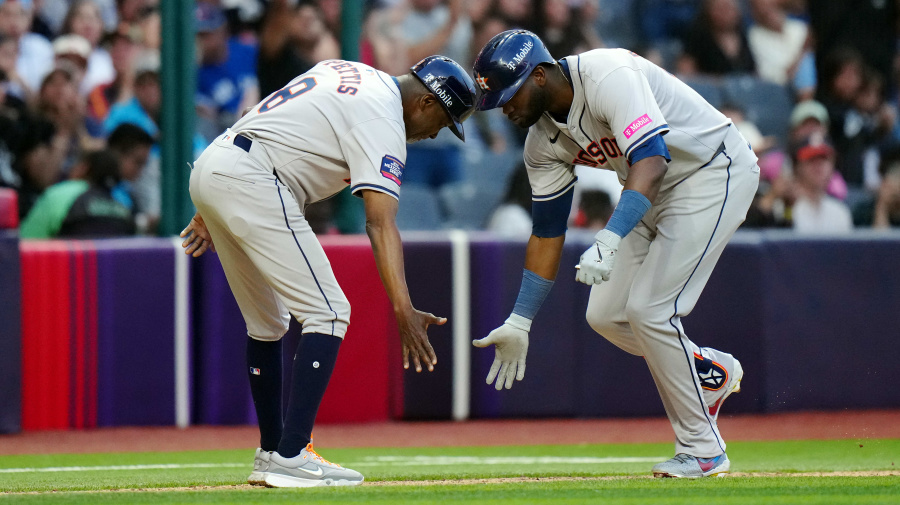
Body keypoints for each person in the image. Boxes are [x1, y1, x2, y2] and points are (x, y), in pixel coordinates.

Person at [471, 30, 759, 478]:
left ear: (541, 75)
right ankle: (707, 371)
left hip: (710, 171)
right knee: (605, 315)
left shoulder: (608, 73)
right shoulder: (541, 144)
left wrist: (608, 238)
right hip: (646, 195)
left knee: (650, 311)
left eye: (509, 95)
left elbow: (653, 159)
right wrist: (520, 319)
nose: (504, 109)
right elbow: (547, 232)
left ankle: (704, 450)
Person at [179, 55, 476, 487]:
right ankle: (293, 453)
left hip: (218, 160)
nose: (433, 133)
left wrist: (215, 198)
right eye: (442, 122)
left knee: (267, 323)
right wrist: (403, 308)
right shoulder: (385, 119)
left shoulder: (346, 68)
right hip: (254, 178)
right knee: (330, 312)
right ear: (428, 103)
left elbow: (261, 115)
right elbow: (379, 221)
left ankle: (270, 453)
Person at [20, 149, 134, 238]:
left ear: (84, 168)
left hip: (66, 266)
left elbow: (27, 241)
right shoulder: (122, 203)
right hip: (112, 267)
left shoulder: (61, 193)